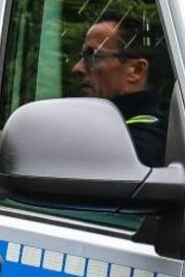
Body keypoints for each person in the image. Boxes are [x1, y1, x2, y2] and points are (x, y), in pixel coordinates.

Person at [72, 15, 169, 166]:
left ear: (136, 70)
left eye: (92, 56)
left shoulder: (135, 147)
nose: (77, 68)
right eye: (81, 56)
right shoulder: (126, 133)